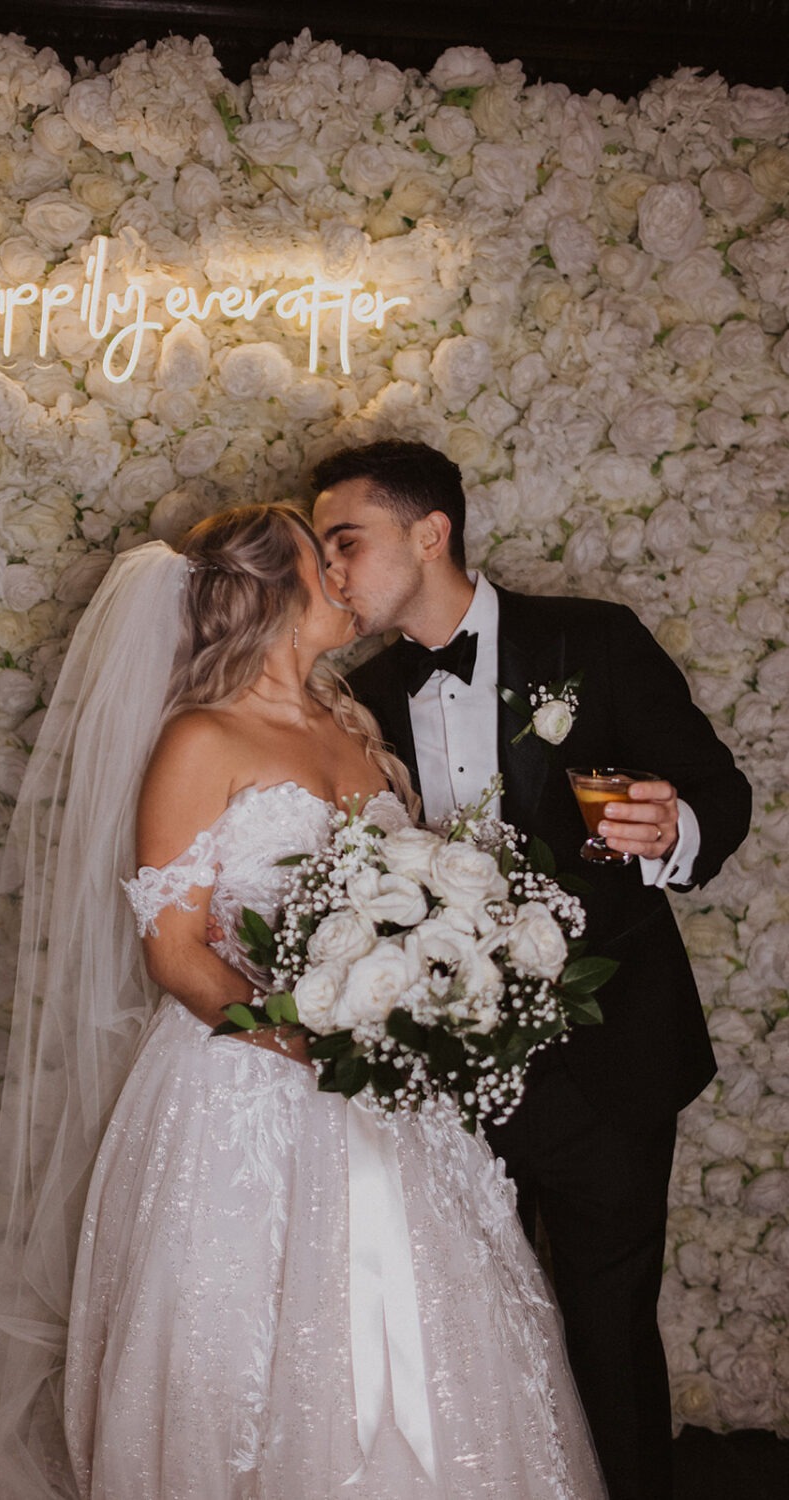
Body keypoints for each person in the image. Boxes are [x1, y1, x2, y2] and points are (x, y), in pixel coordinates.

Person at [0, 502, 608, 1500]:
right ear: (269, 598)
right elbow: (174, 951)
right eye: (322, 563)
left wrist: (446, 983)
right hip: (246, 1087)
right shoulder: (200, 741)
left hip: (392, 1092)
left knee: (436, 1332)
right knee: (260, 1346)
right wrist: (299, 1038)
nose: (344, 582)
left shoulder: (352, 723)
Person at [310, 440, 753, 1500]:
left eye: (345, 542)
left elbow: (717, 793)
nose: (331, 573)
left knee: (608, 1324)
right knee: (472, 1328)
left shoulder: (591, 640)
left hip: (612, 1060)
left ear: (430, 533)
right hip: (450, 1079)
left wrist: (673, 825)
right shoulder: (358, 699)